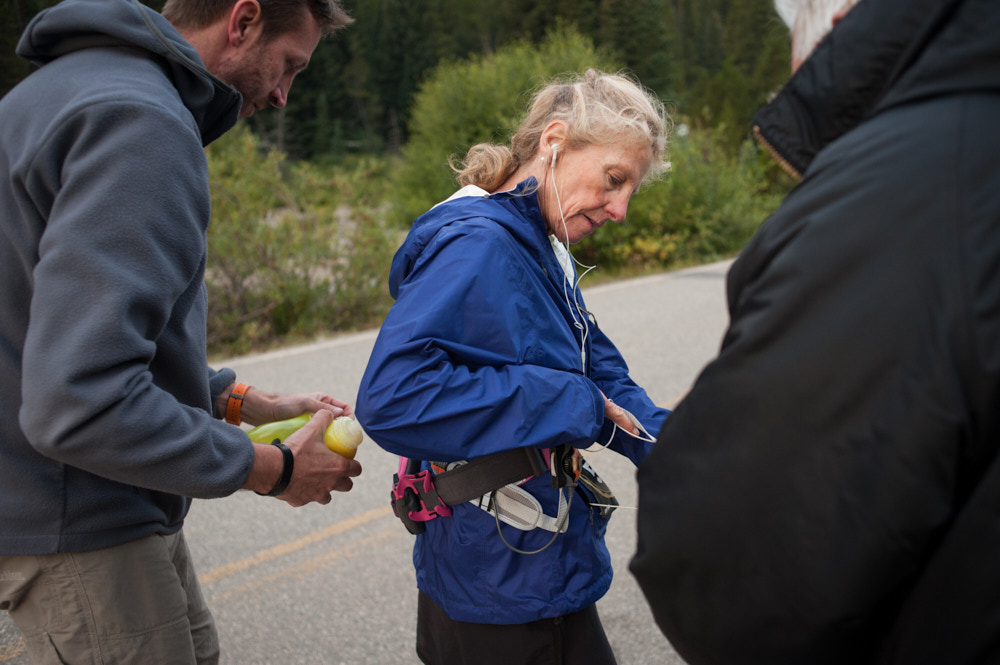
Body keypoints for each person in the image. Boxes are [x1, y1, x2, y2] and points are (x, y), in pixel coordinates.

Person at [629, 0, 1000, 663]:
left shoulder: (911, 188)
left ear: (831, 25)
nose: (621, 207)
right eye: (613, 182)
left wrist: (697, 432)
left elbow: (733, 568)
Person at [0, 0, 362, 662]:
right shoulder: (143, 124)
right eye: (289, 66)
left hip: (79, 497)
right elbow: (80, 400)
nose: (284, 96)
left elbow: (45, 325)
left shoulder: (65, 91)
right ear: (243, 20)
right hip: (82, 516)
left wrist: (239, 399)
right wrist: (276, 468)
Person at [355, 69, 671, 665]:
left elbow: (599, 375)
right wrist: (569, 404)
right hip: (501, 584)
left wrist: (690, 452)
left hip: (528, 565)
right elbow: (392, 395)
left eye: (632, 189)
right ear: (554, 140)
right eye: (614, 179)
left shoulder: (539, 246)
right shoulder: (481, 245)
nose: (622, 208)